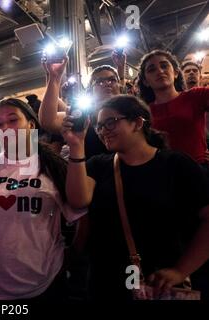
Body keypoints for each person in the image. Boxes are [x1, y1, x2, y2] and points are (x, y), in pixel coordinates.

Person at [62, 94, 209, 300]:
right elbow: (78, 200)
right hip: (106, 282)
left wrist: (180, 270)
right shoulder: (98, 165)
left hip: (160, 281)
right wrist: (76, 144)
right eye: (99, 126)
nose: (103, 130)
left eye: (110, 122)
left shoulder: (175, 164)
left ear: (138, 123)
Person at [0, 98, 86, 300]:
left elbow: (81, 214)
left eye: (13, 120)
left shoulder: (52, 166)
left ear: (30, 124)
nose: (6, 128)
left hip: (43, 283)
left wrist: (72, 256)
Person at [39, 52, 125, 159]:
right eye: (99, 82)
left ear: (120, 86)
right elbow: (48, 121)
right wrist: (54, 77)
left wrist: (121, 69)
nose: (107, 83)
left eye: (112, 80)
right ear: (89, 91)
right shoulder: (83, 115)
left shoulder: (131, 112)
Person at [138, 50, 209, 169]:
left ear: (176, 72)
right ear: (145, 81)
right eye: (152, 69)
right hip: (163, 174)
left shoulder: (196, 96)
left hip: (198, 169)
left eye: (164, 66)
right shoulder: (143, 112)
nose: (160, 71)